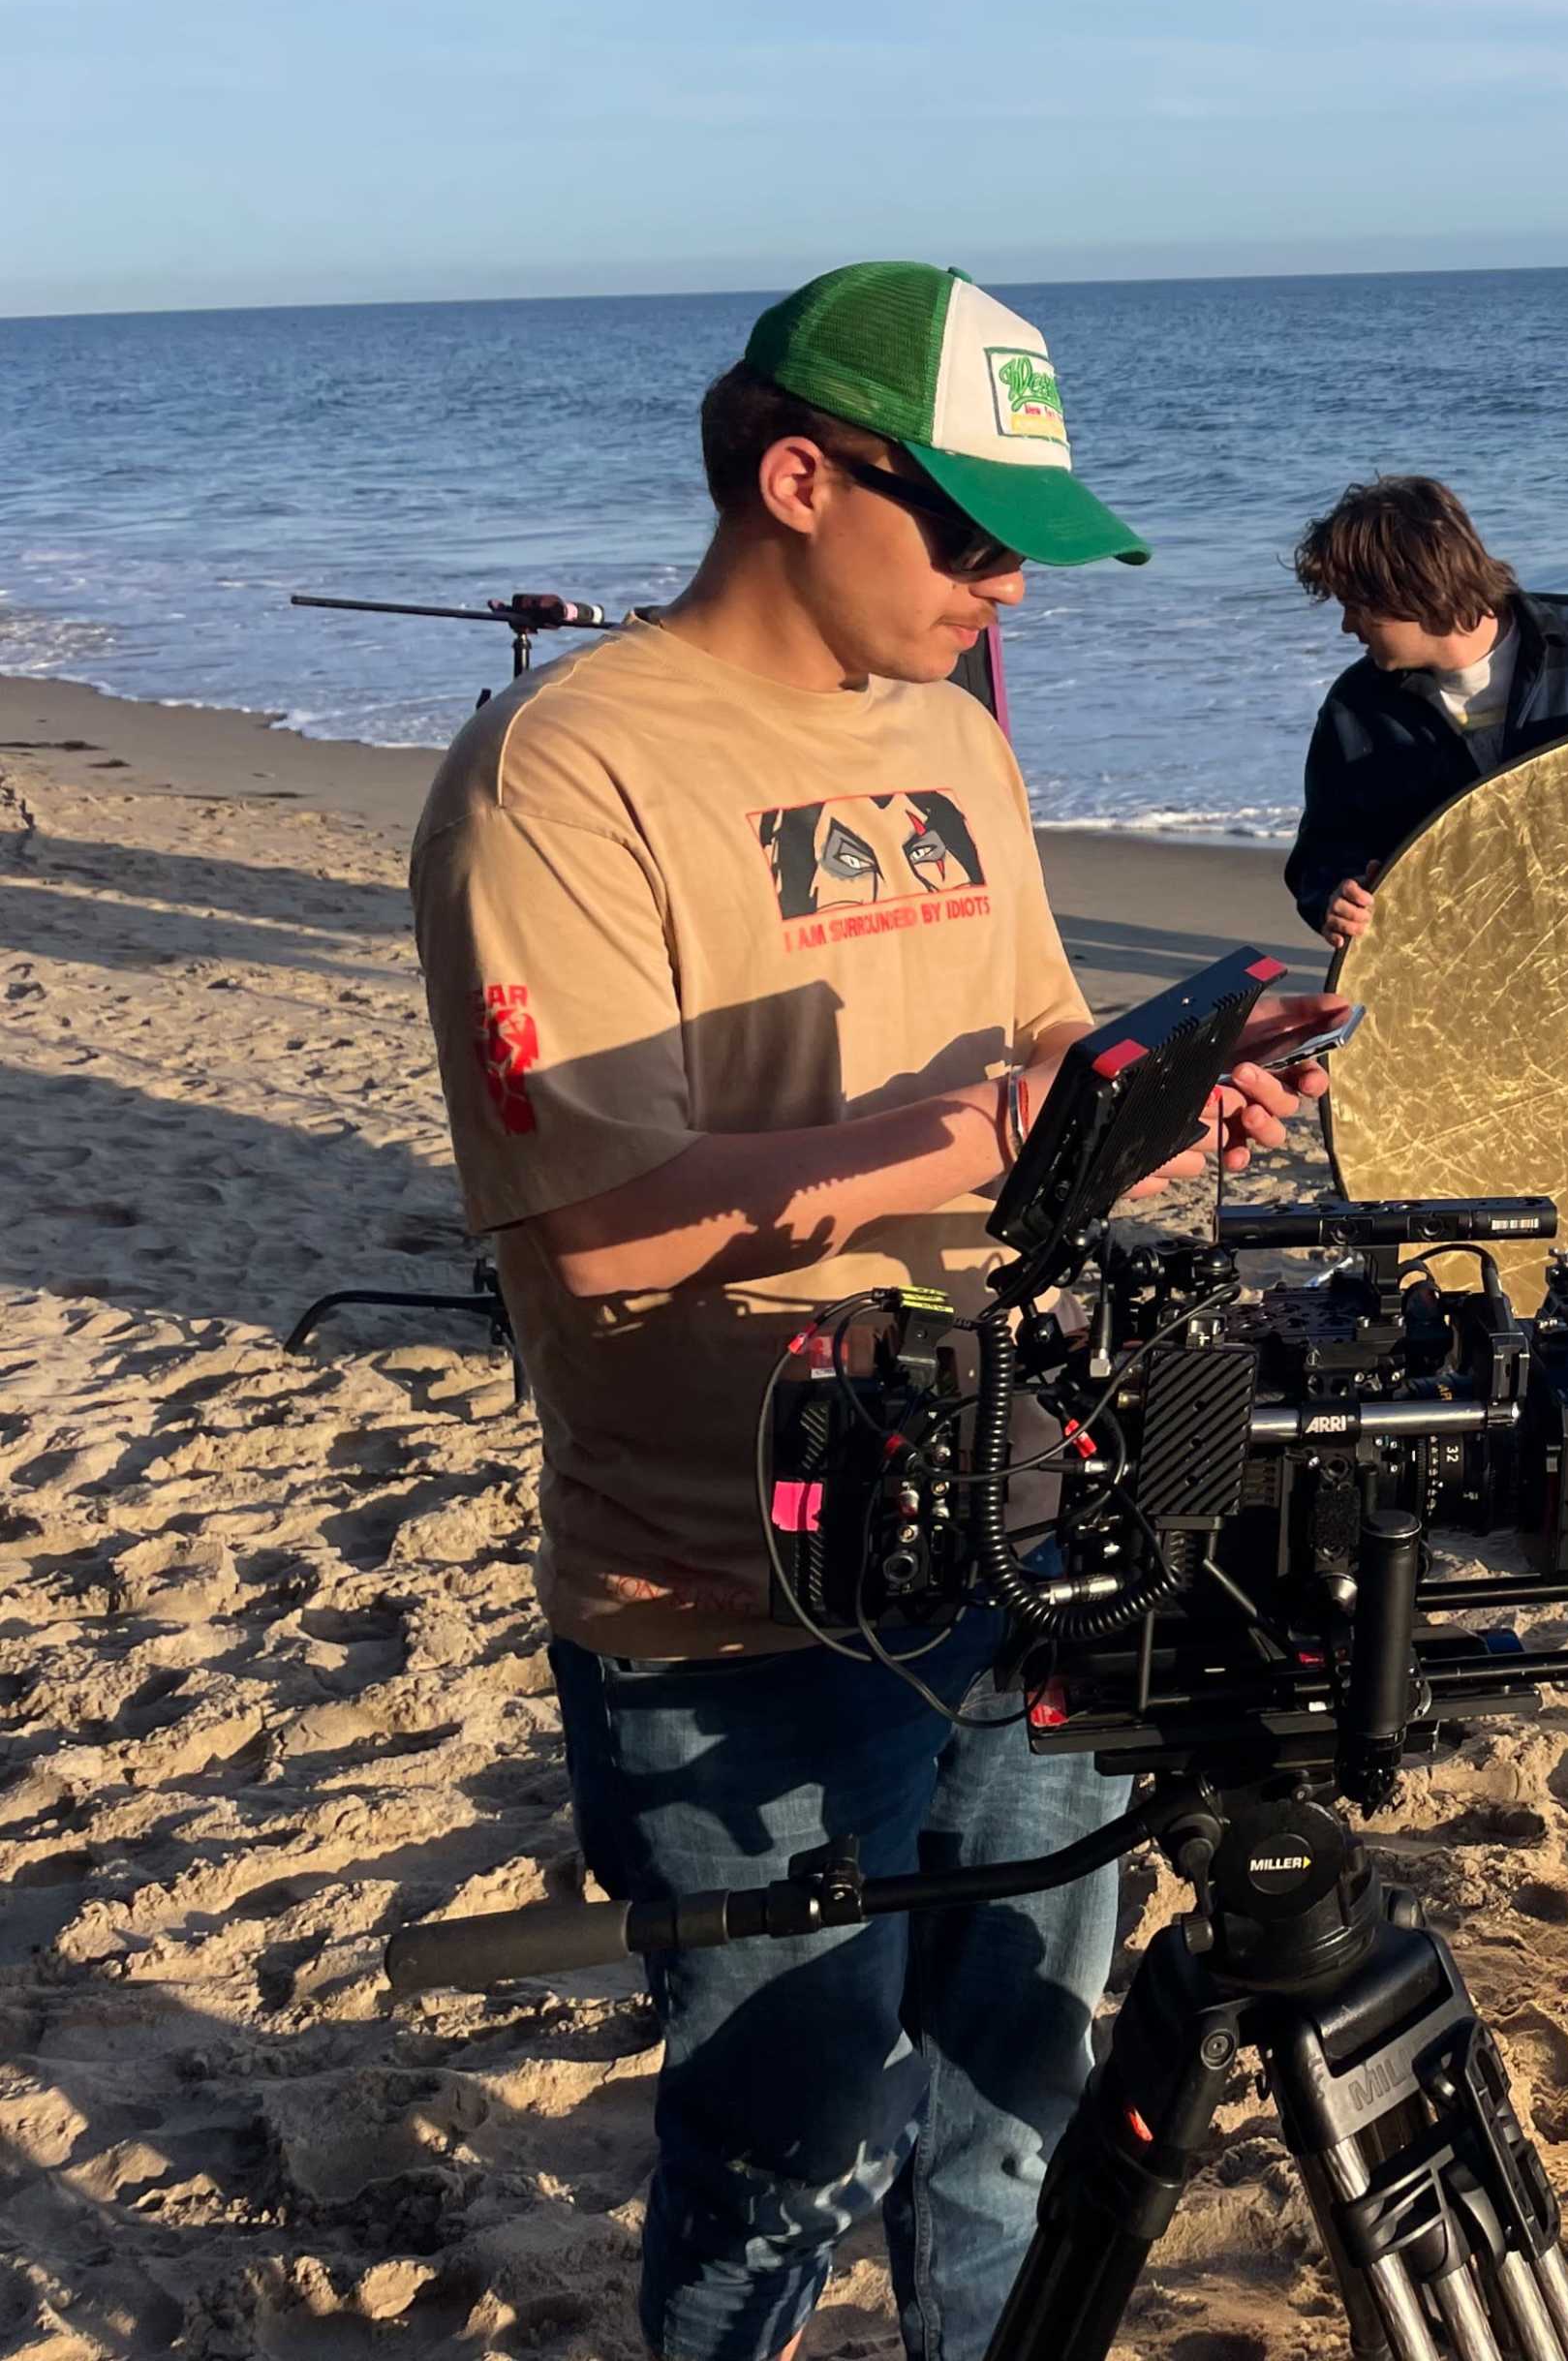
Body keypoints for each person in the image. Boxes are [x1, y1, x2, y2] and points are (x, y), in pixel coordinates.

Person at [409, 261, 1332, 2361]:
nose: (1011, 585)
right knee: (784, 2146)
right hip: (732, 1586)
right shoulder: (564, 771)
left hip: (1020, 1520)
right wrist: (958, 1141)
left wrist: (1165, 1114)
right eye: (977, 535)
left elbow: (1032, 1059)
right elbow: (599, 1240)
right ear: (802, 478)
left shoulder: (949, 732)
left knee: (1018, 2113)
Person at [1283, 474, 1568, 944]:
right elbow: (1321, 851)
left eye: (1356, 607)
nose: (1346, 625)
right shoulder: (1356, 708)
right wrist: (1334, 896)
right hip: (1459, 964)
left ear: (1407, 589)